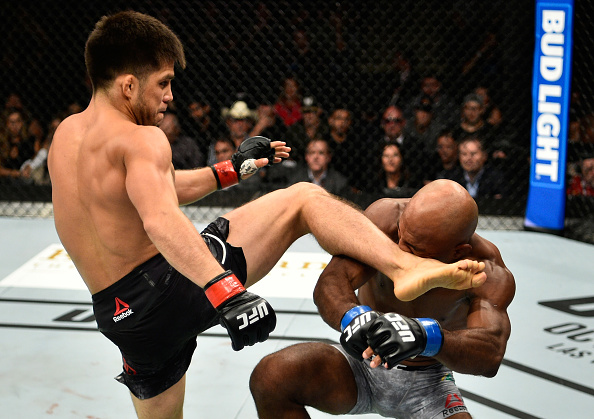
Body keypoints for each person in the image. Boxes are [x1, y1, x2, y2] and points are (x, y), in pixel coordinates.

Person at [47, 12, 486, 419]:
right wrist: (228, 294)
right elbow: (160, 219)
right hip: (171, 287)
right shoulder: (143, 139)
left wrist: (230, 172)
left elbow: (149, 190)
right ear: (128, 86)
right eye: (162, 83)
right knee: (301, 199)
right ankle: (404, 266)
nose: (169, 96)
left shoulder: (67, 136)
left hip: (125, 320)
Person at [250, 179, 515, 419]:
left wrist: (426, 336)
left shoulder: (485, 270)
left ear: (459, 251)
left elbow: (490, 353)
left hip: (430, 382)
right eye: (401, 235)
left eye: (413, 249)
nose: (398, 250)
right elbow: (333, 281)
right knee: (272, 377)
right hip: (362, 363)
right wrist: (353, 317)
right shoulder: (385, 220)